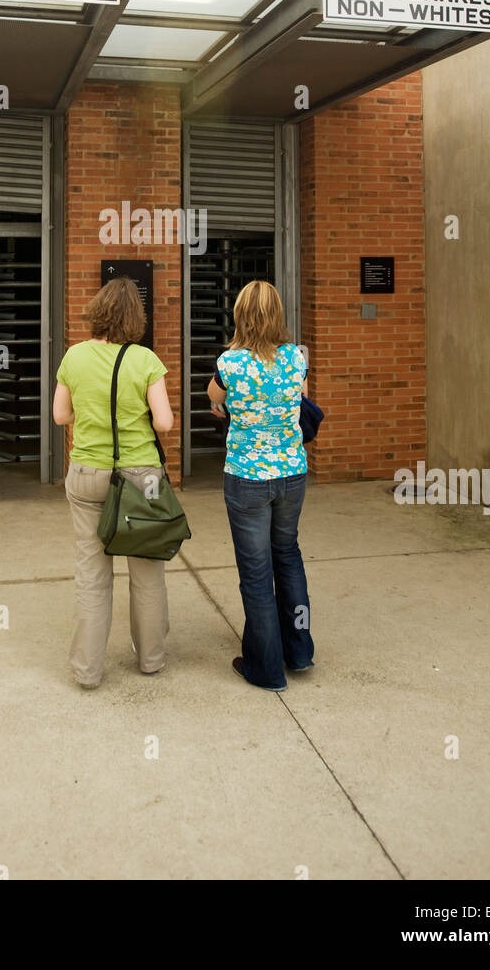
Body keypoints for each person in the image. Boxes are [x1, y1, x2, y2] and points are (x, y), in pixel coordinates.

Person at [53, 278, 175, 689]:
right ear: (135, 318)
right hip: (142, 479)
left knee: (92, 572)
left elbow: (60, 416)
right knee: (147, 572)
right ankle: (151, 660)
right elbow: (164, 422)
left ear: (98, 310)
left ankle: (88, 671)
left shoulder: (74, 356)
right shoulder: (145, 360)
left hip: (87, 473)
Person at [207, 280, 314, 693]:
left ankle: (266, 668)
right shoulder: (295, 358)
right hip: (292, 473)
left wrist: (229, 408)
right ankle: (299, 650)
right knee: (288, 556)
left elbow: (215, 399)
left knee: (255, 573)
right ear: (277, 315)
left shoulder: (229, 362)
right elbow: (300, 400)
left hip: (247, 478)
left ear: (240, 316)